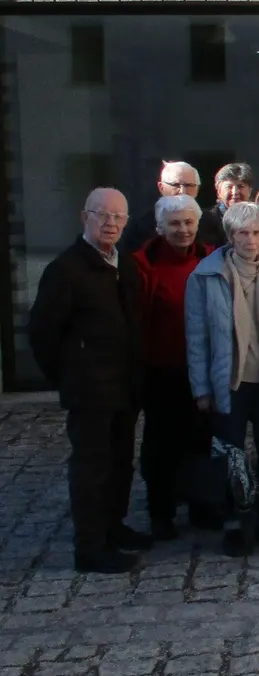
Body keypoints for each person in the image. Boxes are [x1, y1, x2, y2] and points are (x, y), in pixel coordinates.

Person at [30, 188, 150, 574]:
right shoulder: (66, 270)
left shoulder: (125, 265)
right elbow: (42, 334)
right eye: (103, 215)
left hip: (124, 386)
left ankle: (112, 527)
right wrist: (70, 376)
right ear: (85, 217)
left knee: (119, 464)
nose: (111, 223)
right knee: (91, 468)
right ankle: (90, 547)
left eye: (119, 217)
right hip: (90, 391)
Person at [184, 201, 259, 557]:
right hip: (228, 380)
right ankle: (233, 523)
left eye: (256, 232)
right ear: (230, 235)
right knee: (230, 453)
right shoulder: (205, 275)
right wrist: (201, 388)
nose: (250, 240)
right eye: (242, 233)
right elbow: (196, 337)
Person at [132, 194, 214, 541]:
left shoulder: (212, 258)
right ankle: (161, 512)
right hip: (162, 368)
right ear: (160, 227)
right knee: (161, 445)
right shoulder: (142, 264)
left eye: (188, 223)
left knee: (201, 440)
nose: (183, 230)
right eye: (175, 224)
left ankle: (201, 505)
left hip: (205, 370)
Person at [120, 160, 201, 251]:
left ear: (197, 189)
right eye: (175, 185)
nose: (182, 191)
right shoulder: (141, 226)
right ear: (161, 187)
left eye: (189, 185)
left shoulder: (210, 223)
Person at [200, 162, 254, 246]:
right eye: (229, 187)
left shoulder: (258, 218)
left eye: (240, 186)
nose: (235, 192)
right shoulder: (207, 220)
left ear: (250, 191)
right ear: (219, 192)